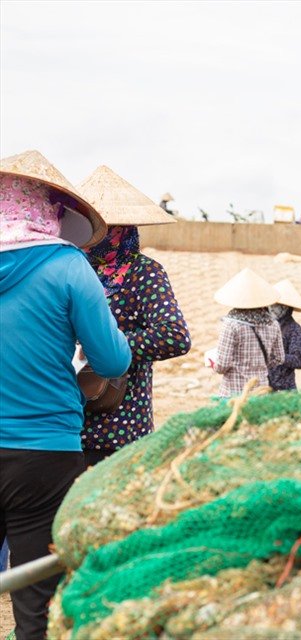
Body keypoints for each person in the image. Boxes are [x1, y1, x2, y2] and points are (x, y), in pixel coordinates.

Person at [0, 150, 131, 638]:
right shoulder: (68, 265)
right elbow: (114, 361)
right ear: (47, 210)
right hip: (45, 452)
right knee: (36, 598)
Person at [77, 166, 192, 466]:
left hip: (120, 429)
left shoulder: (144, 272)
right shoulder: (75, 267)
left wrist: (108, 344)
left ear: (119, 228)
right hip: (69, 425)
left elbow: (175, 335)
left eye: (102, 227)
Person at [212, 268, 284, 397]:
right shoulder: (273, 324)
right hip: (261, 391)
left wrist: (213, 364)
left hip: (234, 393)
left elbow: (222, 365)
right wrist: (259, 365)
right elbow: (279, 358)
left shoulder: (231, 325)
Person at [268, 279, 301, 391]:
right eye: (271, 305)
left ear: (286, 308)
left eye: (276, 306)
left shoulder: (295, 331)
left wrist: (277, 356)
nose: (271, 308)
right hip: (263, 388)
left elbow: (298, 361)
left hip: (284, 390)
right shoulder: (266, 326)